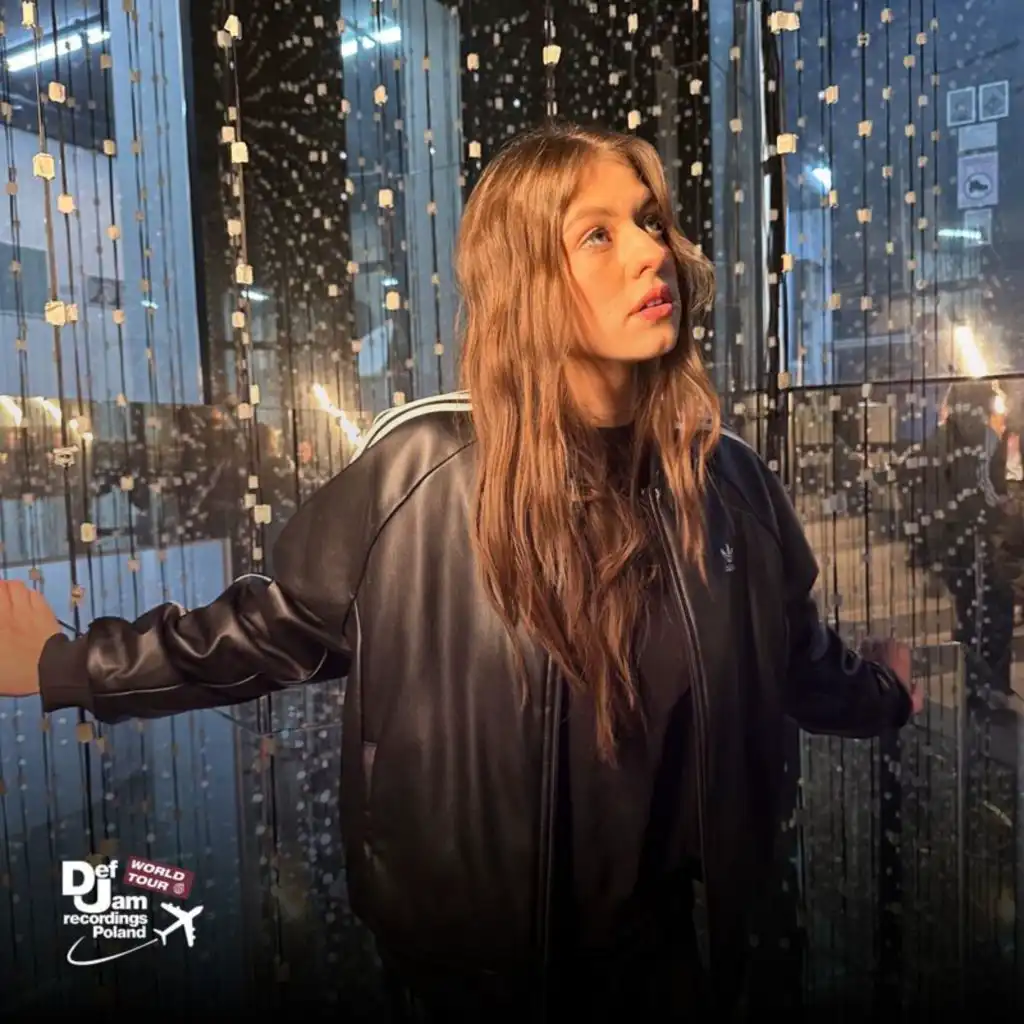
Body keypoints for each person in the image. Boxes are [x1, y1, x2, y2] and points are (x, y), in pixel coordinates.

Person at [0, 122, 918, 1021]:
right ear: (525, 280)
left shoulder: (731, 488)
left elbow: (795, 661)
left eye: (650, 222)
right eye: (598, 234)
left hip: (682, 969)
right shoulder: (423, 473)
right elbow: (262, 630)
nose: (653, 253)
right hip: (470, 977)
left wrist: (886, 692)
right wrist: (64, 665)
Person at [900, 380, 1017, 701]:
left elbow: (921, 481)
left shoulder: (939, 437)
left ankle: (976, 686)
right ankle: (989, 686)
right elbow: (981, 486)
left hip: (946, 539)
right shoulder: (985, 436)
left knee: (970, 612)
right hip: (971, 537)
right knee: (995, 606)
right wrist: (1002, 506)